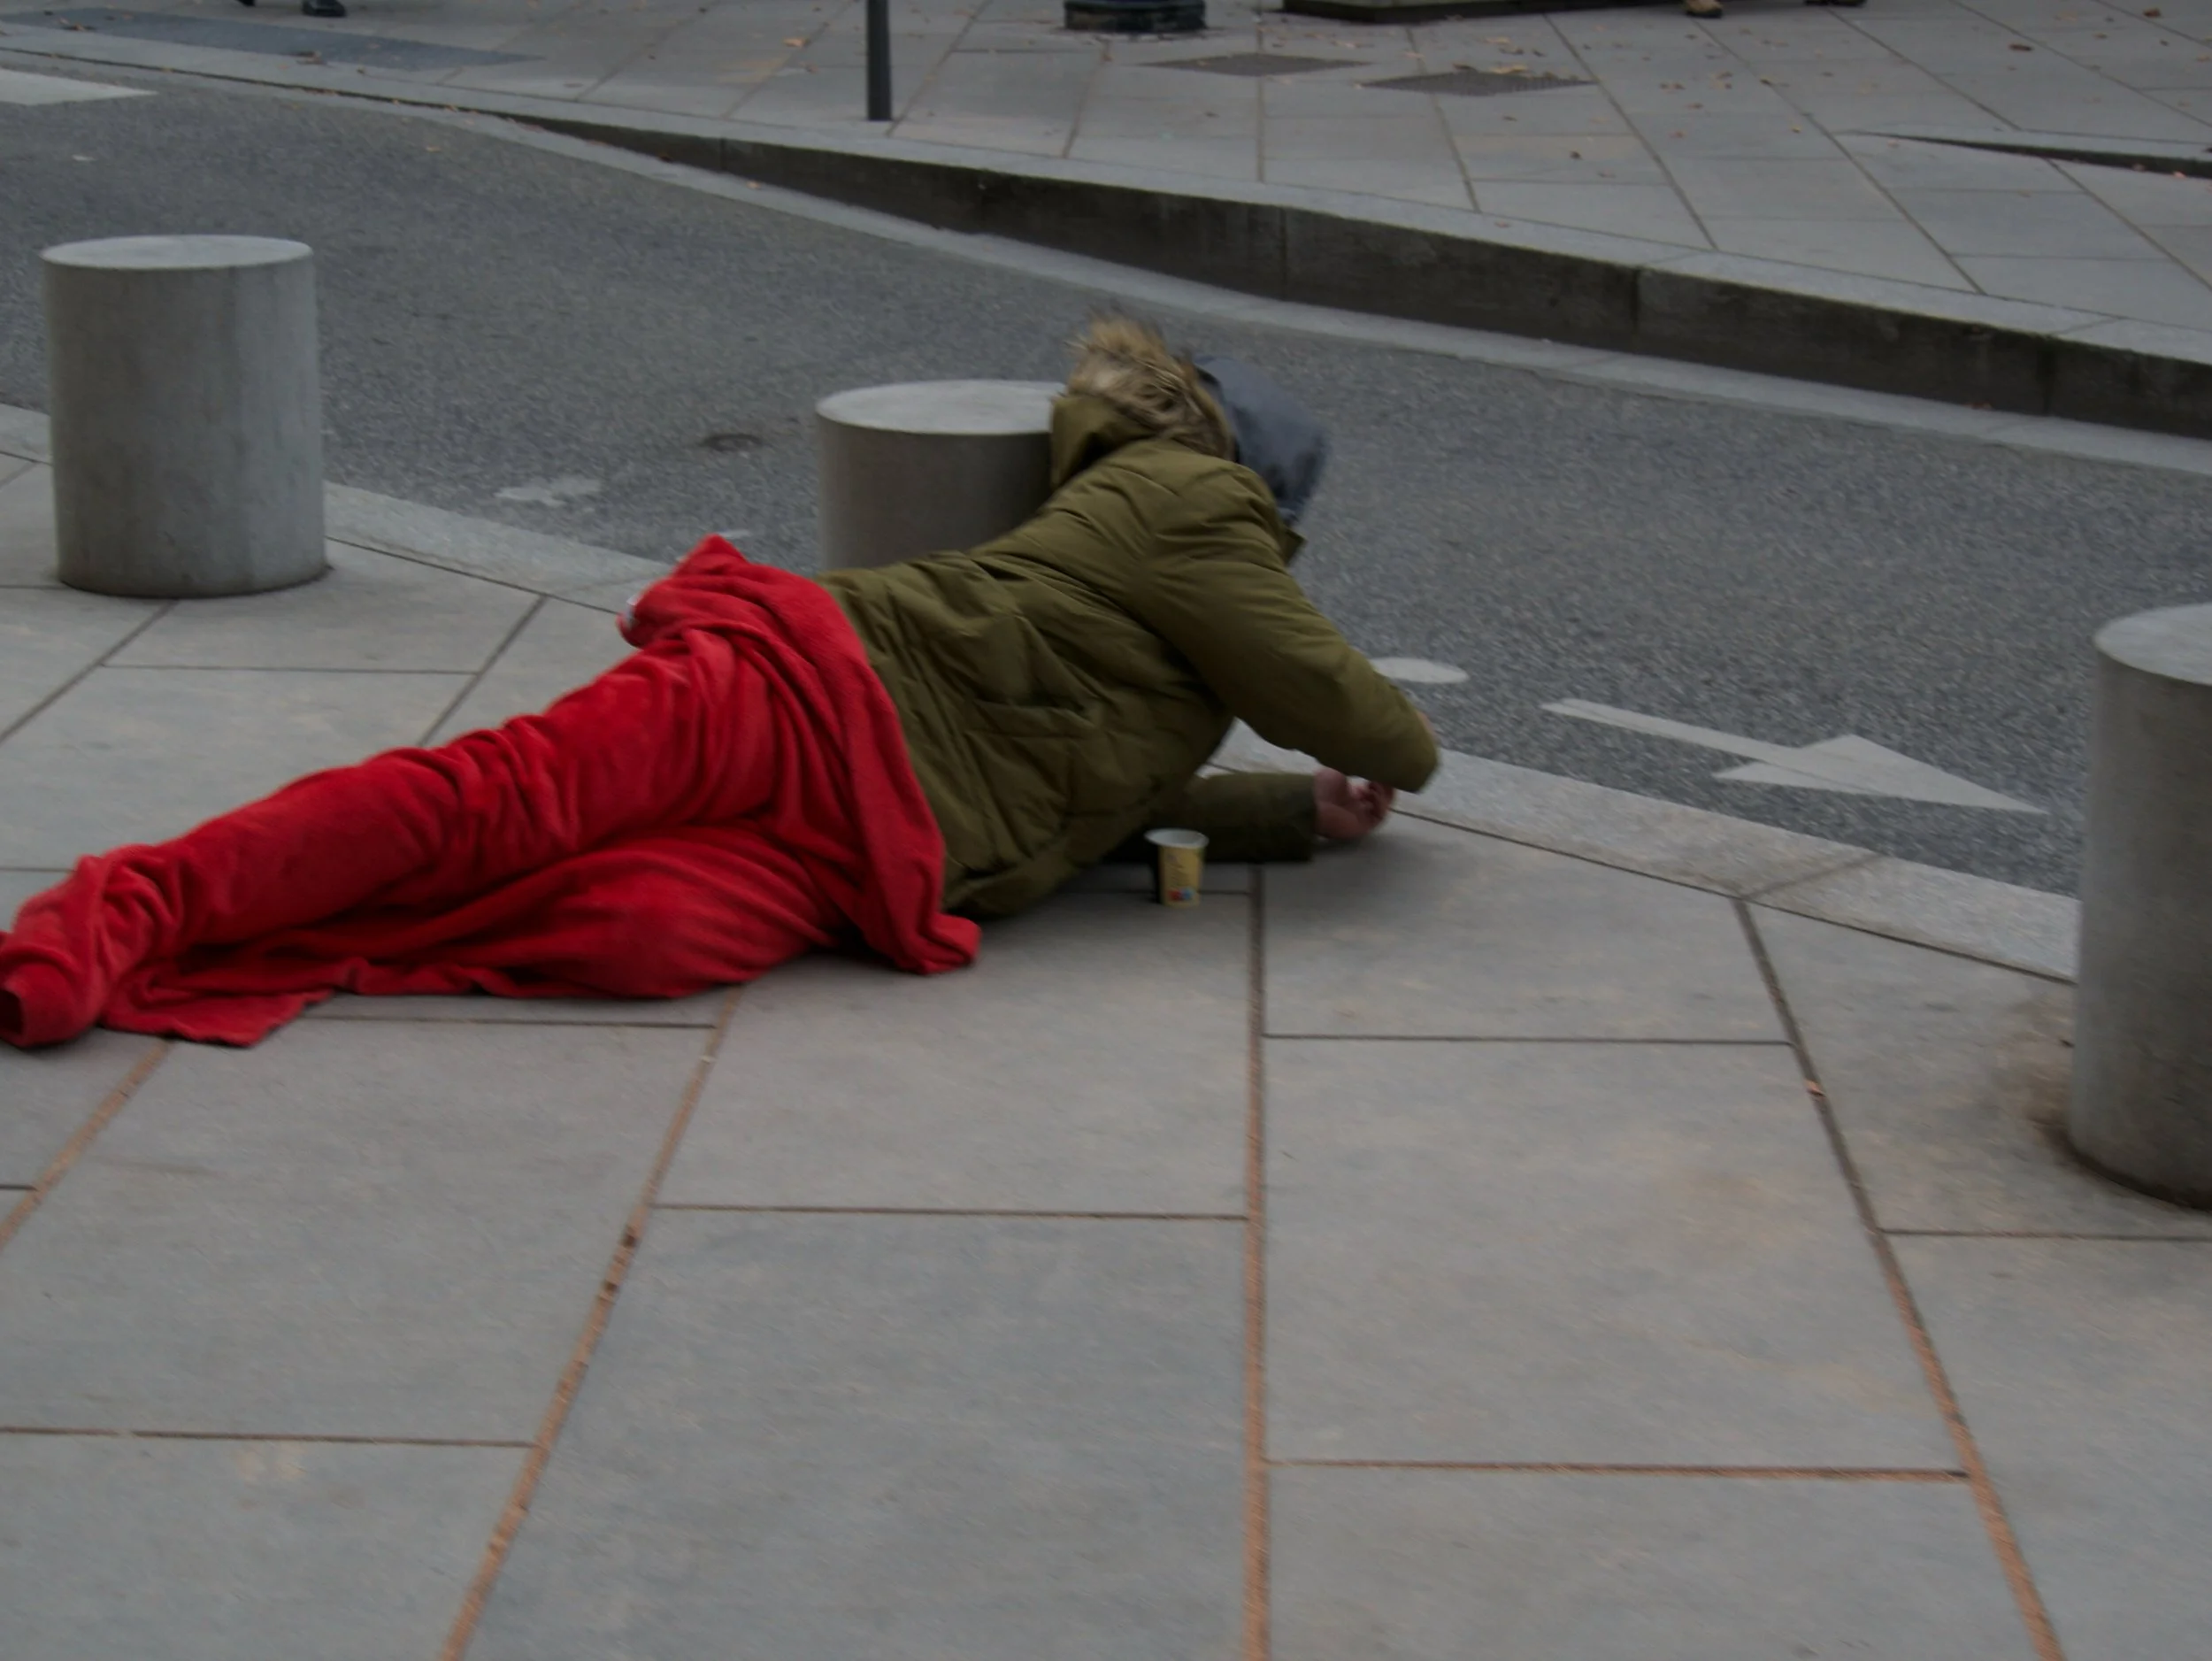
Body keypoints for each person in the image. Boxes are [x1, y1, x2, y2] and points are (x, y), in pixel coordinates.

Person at [0, 317, 1436, 1050]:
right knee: (483, 807)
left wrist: (1287, 815)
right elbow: (1355, 707)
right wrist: (1392, 759)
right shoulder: (1193, 504)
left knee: (624, 930)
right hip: (805, 688)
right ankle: (137, 905)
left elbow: (1079, 796)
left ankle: (256, 929)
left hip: (877, 847)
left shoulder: (1166, 588)